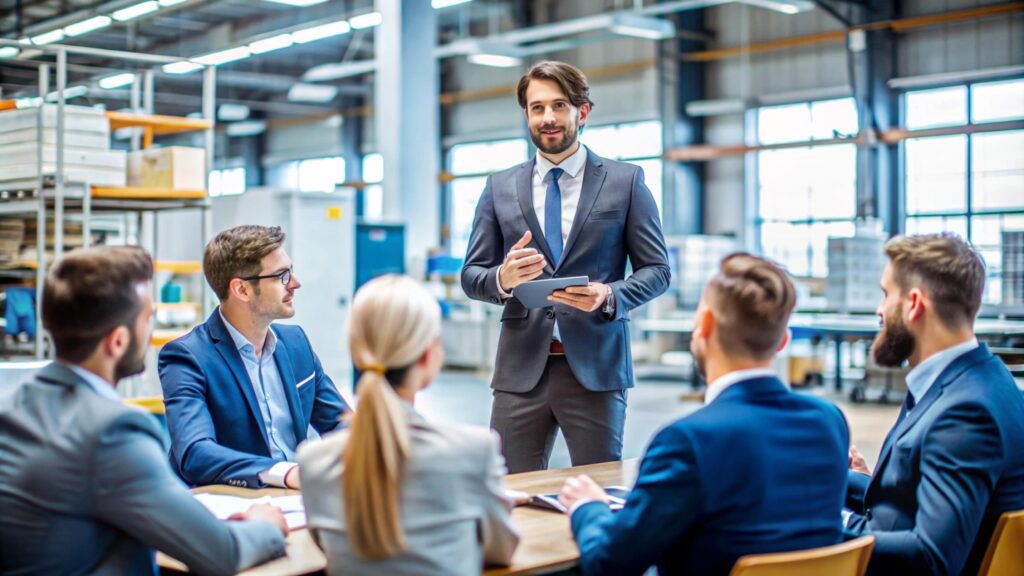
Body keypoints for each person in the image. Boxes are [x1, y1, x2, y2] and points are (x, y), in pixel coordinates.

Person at [0, 246, 288, 576]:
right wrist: (265, 524)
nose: (150, 331)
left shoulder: (13, 404)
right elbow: (222, 552)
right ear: (118, 342)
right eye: (148, 318)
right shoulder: (112, 432)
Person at [559, 253, 850, 576]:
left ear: (705, 325)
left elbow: (609, 564)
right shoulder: (829, 422)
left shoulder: (690, 441)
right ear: (783, 340)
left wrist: (589, 506)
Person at [461, 60, 670, 473]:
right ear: (526, 115)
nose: (548, 118)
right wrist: (503, 278)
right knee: (508, 493)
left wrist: (610, 294)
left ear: (583, 111)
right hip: (521, 372)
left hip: (596, 368)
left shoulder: (625, 181)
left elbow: (658, 270)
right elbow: (472, 275)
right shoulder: (499, 187)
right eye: (537, 108)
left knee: (599, 487)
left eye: (559, 105)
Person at [298, 275, 520, 576]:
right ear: (430, 355)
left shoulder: (313, 462)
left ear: (356, 350)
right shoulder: (472, 452)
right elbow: (501, 552)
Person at [844, 233, 1024, 576]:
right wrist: (831, 480)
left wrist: (824, 532)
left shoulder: (967, 413)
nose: (879, 311)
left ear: (913, 304)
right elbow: (911, 497)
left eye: (885, 295)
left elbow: (931, 557)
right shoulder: (979, 378)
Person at [159, 225, 350, 488]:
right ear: (242, 290)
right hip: (237, 502)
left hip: (299, 496)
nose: (295, 284)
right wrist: (283, 473)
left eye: (291, 271)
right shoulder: (188, 358)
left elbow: (341, 423)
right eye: (282, 275)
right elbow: (195, 453)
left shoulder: (296, 344)